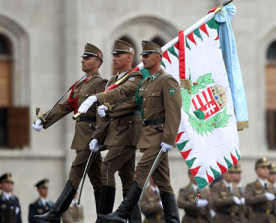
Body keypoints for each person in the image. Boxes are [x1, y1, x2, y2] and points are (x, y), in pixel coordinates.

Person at [98, 40, 182, 223]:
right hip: (148, 135)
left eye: (146, 55)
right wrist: (110, 109)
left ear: (157, 58)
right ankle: (173, 220)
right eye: (142, 55)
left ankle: (121, 213)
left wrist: (169, 138)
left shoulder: (167, 81)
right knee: (163, 181)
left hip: (159, 136)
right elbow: (133, 104)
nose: (142, 59)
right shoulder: (145, 83)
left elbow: (174, 112)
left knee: (141, 171)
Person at [31, 43, 107, 222]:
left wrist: (99, 137)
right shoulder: (81, 83)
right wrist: (44, 120)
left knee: (76, 170)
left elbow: (103, 113)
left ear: (97, 62)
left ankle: (56, 212)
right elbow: (65, 105)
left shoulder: (99, 83)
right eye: (83, 57)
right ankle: (103, 217)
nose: (82, 60)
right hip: (82, 136)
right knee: (98, 179)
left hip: (91, 136)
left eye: (87, 58)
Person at [79, 40, 143, 223]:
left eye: (118, 55)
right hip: (116, 135)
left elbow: (123, 93)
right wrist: (96, 137)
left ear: (129, 58)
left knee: (106, 167)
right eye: (113, 55)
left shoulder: (135, 77)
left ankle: (104, 217)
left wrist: (96, 98)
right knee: (127, 179)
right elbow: (105, 114)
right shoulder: (113, 80)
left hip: (128, 134)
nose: (114, 58)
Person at [245, 158, 276, 223]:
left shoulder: (271, 187)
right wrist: (264, 197)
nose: (266, 170)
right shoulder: (252, 186)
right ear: (256, 170)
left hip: (270, 220)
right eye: (263, 168)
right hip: (257, 219)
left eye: (267, 167)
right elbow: (248, 200)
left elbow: (274, 206)